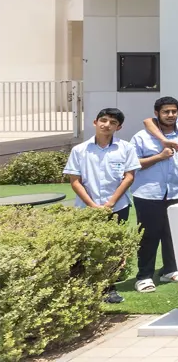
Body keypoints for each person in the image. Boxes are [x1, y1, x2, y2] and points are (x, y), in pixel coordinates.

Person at [65, 108, 140, 303]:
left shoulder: (126, 148)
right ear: (95, 122)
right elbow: (75, 181)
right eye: (103, 120)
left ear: (119, 127)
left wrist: (112, 201)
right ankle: (82, 289)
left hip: (118, 207)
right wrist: (91, 205)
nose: (106, 125)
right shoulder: (80, 150)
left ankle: (109, 288)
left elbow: (129, 177)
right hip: (86, 209)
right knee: (85, 248)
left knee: (113, 249)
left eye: (112, 122)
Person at [128, 97, 178, 294]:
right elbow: (132, 164)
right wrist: (159, 157)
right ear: (157, 113)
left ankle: (170, 269)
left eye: (174, 111)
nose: (170, 115)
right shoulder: (141, 137)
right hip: (149, 194)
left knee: (173, 234)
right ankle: (144, 276)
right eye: (166, 112)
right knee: (149, 236)